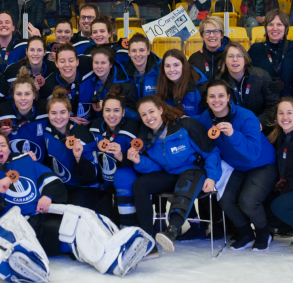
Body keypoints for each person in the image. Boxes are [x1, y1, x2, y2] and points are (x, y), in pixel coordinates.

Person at [0, 126, 152, 282]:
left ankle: (113, 258)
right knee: (15, 240)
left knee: (76, 227)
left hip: (39, 220)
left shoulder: (24, 162)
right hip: (12, 225)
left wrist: (48, 196)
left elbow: (51, 180)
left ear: (8, 148)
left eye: (2, 145)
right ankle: (23, 264)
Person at [116, 95, 220, 256]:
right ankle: (148, 241)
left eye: (151, 112)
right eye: (143, 114)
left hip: (194, 170)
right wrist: (139, 160)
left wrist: (212, 176)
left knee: (185, 184)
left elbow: (211, 152)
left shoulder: (186, 125)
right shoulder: (147, 137)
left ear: (161, 109)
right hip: (170, 174)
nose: (148, 117)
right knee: (140, 185)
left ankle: (171, 231)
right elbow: (157, 167)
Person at [199, 80, 277, 251]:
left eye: (221, 96)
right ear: (206, 99)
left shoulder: (246, 116)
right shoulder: (205, 118)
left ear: (228, 98)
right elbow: (195, 130)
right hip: (237, 165)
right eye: (212, 96)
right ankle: (246, 233)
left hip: (261, 163)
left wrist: (234, 134)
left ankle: (264, 234)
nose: (216, 100)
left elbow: (254, 153)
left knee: (247, 201)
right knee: (225, 200)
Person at [90, 84, 141, 219]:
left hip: (124, 183)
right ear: (102, 111)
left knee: (123, 176)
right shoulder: (95, 127)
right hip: (103, 183)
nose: (111, 115)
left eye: (116, 111)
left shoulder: (132, 129)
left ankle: (128, 224)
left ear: (123, 112)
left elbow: (140, 163)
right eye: (107, 110)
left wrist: (121, 156)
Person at [44, 86, 99, 208]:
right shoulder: (46, 131)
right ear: (48, 114)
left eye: (63, 112)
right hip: (59, 186)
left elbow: (92, 177)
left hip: (83, 188)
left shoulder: (84, 136)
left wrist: (79, 157)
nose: (58, 117)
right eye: (54, 113)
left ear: (70, 113)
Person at [0, 67, 48, 161]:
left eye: (27, 94)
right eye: (19, 94)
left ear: (34, 95)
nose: (23, 98)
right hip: (9, 168)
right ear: (13, 95)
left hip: (38, 167)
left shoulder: (46, 110)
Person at [217, 41, 278, 130]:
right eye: (230, 56)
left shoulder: (262, 76)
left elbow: (273, 106)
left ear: (245, 59)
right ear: (224, 61)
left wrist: (259, 122)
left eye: (239, 56)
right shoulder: (219, 81)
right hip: (232, 129)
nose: (235, 59)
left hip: (259, 128)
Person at [80, 46, 139, 121]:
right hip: (100, 125)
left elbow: (136, 116)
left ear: (111, 65)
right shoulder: (89, 83)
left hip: (122, 127)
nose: (99, 66)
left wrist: (114, 108)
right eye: (96, 62)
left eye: (103, 63)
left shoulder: (127, 86)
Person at [39, 43, 90, 123]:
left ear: (77, 61)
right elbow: (41, 108)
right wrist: (68, 119)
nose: (67, 65)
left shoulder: (88, 66)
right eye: (62, 61)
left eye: (71, 60)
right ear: (56, 63)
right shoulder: (48, 86)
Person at [248, 9, 293, 97]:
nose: (274, 28)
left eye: (279, 24)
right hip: (264, 105)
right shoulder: (255, 49)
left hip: (289, 106)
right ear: (265, 28)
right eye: (270, 24)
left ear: (286, 27)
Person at [157, 49, 207, 119]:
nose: (171, 70)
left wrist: (190, 121)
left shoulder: (199, 84)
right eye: (167, 66)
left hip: (197, 127)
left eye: (176, 65)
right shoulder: (162, 84)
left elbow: (210, 115)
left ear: (184, 66)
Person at [268, 98, 293, 232]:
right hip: (287, 184)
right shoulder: (279, 136)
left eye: (289, 113)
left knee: (279, 206)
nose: (285, 117)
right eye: (281, 113)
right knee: (265, 204)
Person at [189, 16, 230, 80]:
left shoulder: (231, 57)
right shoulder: (194, 59)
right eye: (207, 32)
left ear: (222, 34)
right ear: (202, 36)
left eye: (215, 31)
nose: (211, 35)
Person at [125, 33, 161, 98]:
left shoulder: (161, 71)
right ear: (129, 53)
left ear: (148, 52)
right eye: (133, 51)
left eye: (142, 50)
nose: (138, 54)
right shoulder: (124, 75)